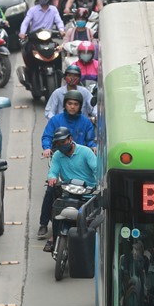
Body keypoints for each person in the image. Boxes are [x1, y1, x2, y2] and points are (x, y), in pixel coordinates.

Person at [40, 93, 97, 243]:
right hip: (68, 187)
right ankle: (46, 226)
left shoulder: (85, 150)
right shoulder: (58, 153)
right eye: (69, 103)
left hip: (87, 189)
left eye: (75, 104)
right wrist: (51, 177)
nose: (72, 106)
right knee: (52, 195)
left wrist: (99, 184)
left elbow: (96, 168)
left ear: (70, 139)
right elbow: (53, 170)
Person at [18, 0, 65, 68]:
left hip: (48, 38)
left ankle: (59, 72)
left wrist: (61, 30)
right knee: (28, 51)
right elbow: (25, 22)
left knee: (57, 50)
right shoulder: (33, 10)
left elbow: (59, 21)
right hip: (34, 38)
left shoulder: (53, 10)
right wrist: (22, 33)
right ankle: (31, 71)